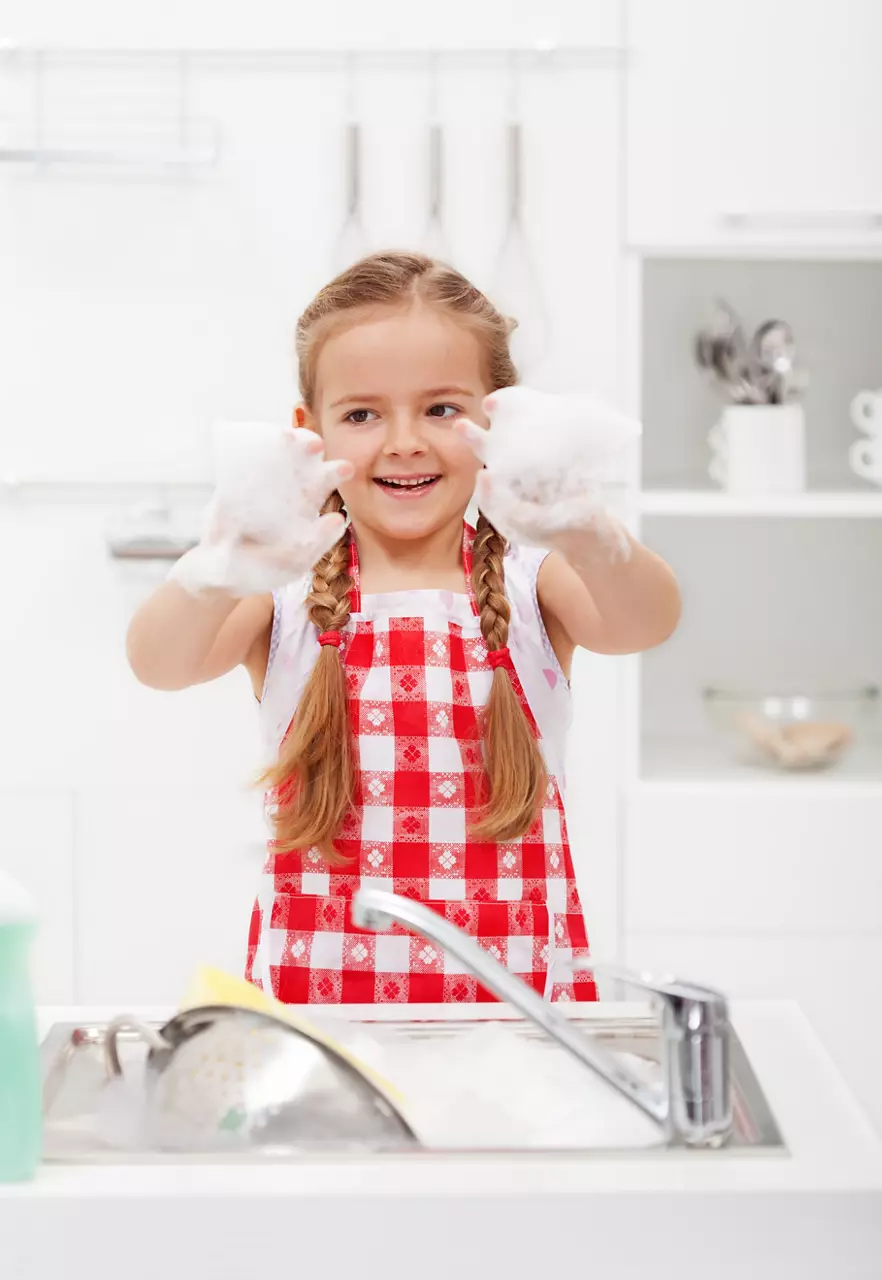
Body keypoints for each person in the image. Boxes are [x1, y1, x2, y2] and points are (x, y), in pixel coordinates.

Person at [126, 250, 680, 1005]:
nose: (403, 441)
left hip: (511, 1029)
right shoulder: (280, 589)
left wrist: (590, 534)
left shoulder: (531, 577)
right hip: (323, 1031)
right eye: (361, 414)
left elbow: (644, 621)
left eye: (440, 409)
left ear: (501, 419)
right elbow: (160, 663)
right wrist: (211, 574)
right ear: (307, 433)